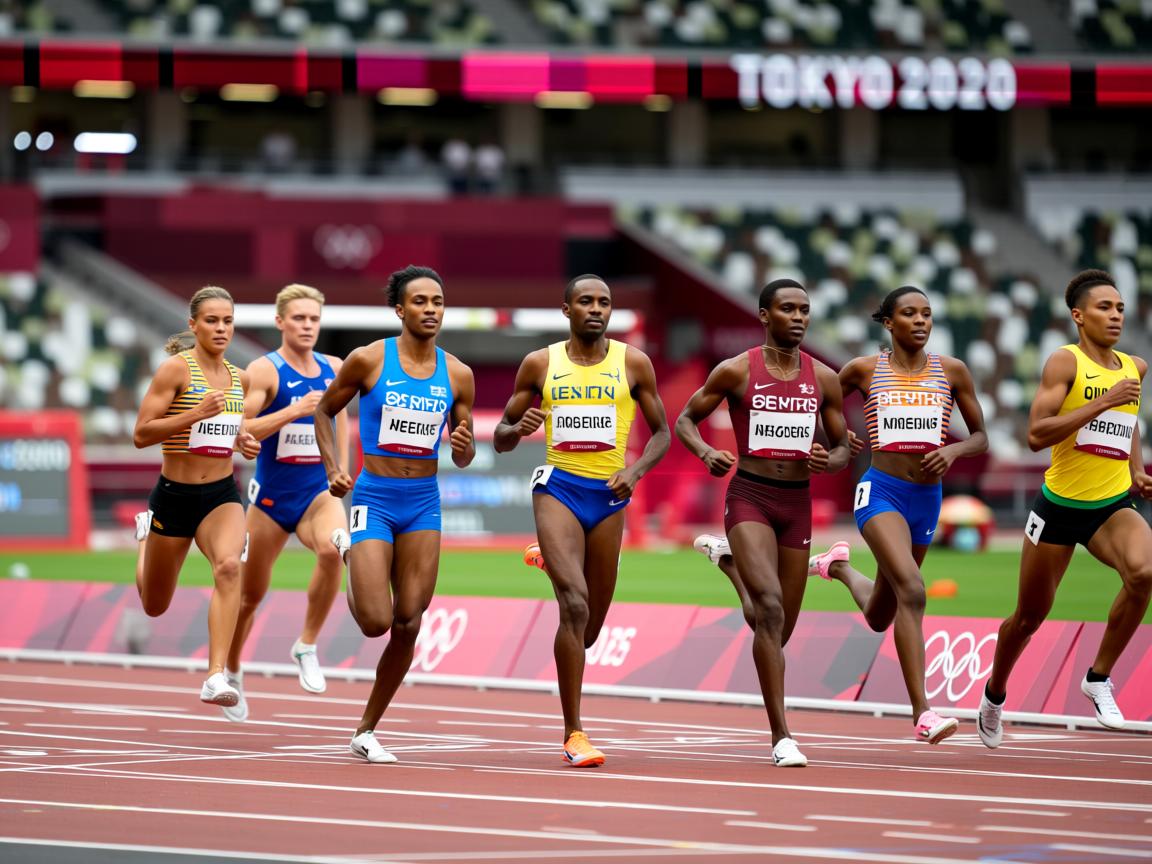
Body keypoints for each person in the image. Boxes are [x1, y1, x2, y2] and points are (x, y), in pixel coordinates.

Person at [495, 274, 670, 768]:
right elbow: (502, 437)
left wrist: (634, 472)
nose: (596, 309)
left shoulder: (633, 363)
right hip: (559, 489)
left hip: (609, 496)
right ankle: (574, 732)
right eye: (585, 302)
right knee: (573, 606)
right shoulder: (540, 363)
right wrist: (517, 427)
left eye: (604, 302)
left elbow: (661, 433)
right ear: (566, 310)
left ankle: (554, 560)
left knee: (589, 628)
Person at [677, 278, 849, 768]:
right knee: (770, 609)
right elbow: (686, 420)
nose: (798, 317)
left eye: (805, 310)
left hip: (798, 504)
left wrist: (829, 459)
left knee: (775, 626)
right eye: (788, 309)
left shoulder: (825, 378)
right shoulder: (735, 371)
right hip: (749, 496)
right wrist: (708, 450)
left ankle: (728, 563)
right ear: (764, 315)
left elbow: (842, 448)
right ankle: (782, 736)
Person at [804, 285, 987, 745]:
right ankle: (923, 712)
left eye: (927, 313)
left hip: (927, 499)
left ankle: (838, 567)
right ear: (889, 323)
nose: (921, 321)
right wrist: (839, 436)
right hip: (881, 492)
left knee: (881, 613)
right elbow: (820, 404)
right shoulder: (865, 369)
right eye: (910, 314)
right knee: (912, 589)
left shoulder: (953, 372)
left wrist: (956, 450)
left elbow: (982, 436)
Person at [978, 269, 1152, 747]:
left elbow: (1129, 420)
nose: (1115, 315)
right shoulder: (1065, 363)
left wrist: (1136, 469)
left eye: (1119, 307)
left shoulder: (1134, 367)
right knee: (1029, 618)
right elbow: (1037, 435)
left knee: (1144, 573)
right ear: (1078, 316)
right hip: (1058, 507)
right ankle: (994, 694)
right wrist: (1103, 402)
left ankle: (1098, 678)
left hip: (1111, 505)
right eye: (1104, 307)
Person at [314, 265, 475, 765]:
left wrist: (464, 446)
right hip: (374, 498)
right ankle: (350, 553)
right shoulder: (368, 360)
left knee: (408, 622)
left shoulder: (459, 374)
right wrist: (333, 467)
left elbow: (463, 453)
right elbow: (324, 410)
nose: (431, 309)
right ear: (400, 310)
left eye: (438, 301)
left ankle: (366, 729)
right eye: (421, 302)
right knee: (375, 622)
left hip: (423, 501)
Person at [221, 284, 349, 723]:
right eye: (299, 318)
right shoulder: (265, 370)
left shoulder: (334, 368)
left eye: (314, 319)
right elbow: (243, 428)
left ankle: (306, 644)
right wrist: (295, 411)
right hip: (270, 503)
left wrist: (340, 472)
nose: (308, 326)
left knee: (335, 549)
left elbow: (340, 421)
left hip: (317, 495)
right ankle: (233, 670)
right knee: (248, 597)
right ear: (281, 322)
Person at [132, 286, 260, 706]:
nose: (221, 328)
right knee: (154, 605)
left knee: (228, 568)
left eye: (227, 321)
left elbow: (227, 434)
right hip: (174, 497)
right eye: (211, 320)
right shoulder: (176, 370)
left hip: (222, 495)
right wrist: (193, 414)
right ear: (193, 325)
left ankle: (215, 676)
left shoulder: (241, 379)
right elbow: (140, 434)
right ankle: (144, 539)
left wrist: (242, 441)